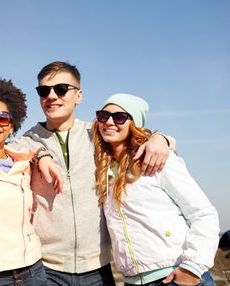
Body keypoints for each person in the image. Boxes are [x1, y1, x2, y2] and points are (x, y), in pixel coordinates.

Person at [13, 61, 173, 286]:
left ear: (79, 96)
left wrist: (162, 138)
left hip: (97, 268)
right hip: (47, 268)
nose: (52, 96)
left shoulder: (98, 133)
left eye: (61, 89)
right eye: (44, 90)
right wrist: (40, 153)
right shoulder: (26, 141)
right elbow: (9, 150)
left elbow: (137, 137)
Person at [93, 93, 219, 286]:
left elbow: (203, 214)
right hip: (133, 281)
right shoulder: (103, 169)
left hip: (175, 277)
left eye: (119, 117)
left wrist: (192, 268)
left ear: (134, 123)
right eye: (103, 115)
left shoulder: (158, 161)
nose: (109, 122)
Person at [0, 77, 63, 286]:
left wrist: (42, 154)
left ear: (12, 125)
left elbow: (33, 146)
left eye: (2, 118)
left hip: (33, 269)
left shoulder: (24, 161)